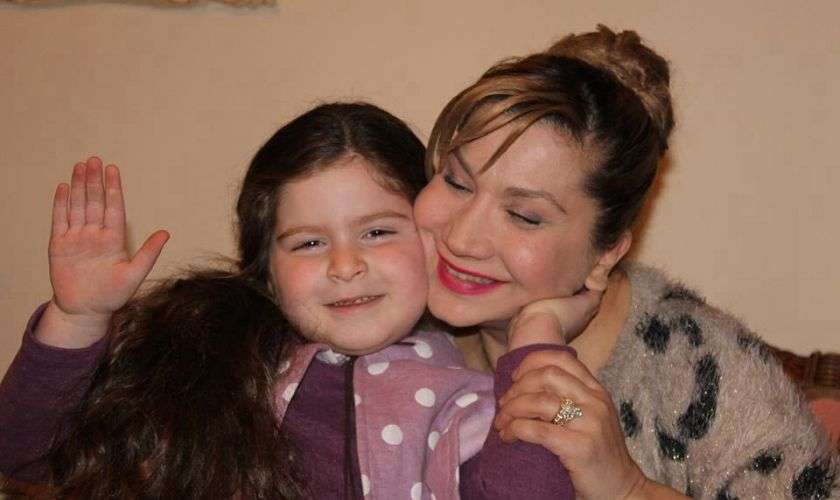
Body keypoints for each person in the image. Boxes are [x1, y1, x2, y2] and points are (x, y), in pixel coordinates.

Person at [0, 103, 578, 498]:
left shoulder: (471, 395)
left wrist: (538, 338)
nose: (345, 265)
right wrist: (78, 318)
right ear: (267, 272)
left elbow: (558, 444)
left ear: (433, 238)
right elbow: (21, 452)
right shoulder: (195, 355)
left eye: (378, 232)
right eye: (308, 243)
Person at [413, 26, 839, 499]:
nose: (461, 238)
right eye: (456, 182)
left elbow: (560, 419)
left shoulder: (695, 365)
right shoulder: (398, 322)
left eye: (524, 216)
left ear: (607, 253)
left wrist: (630, 487)